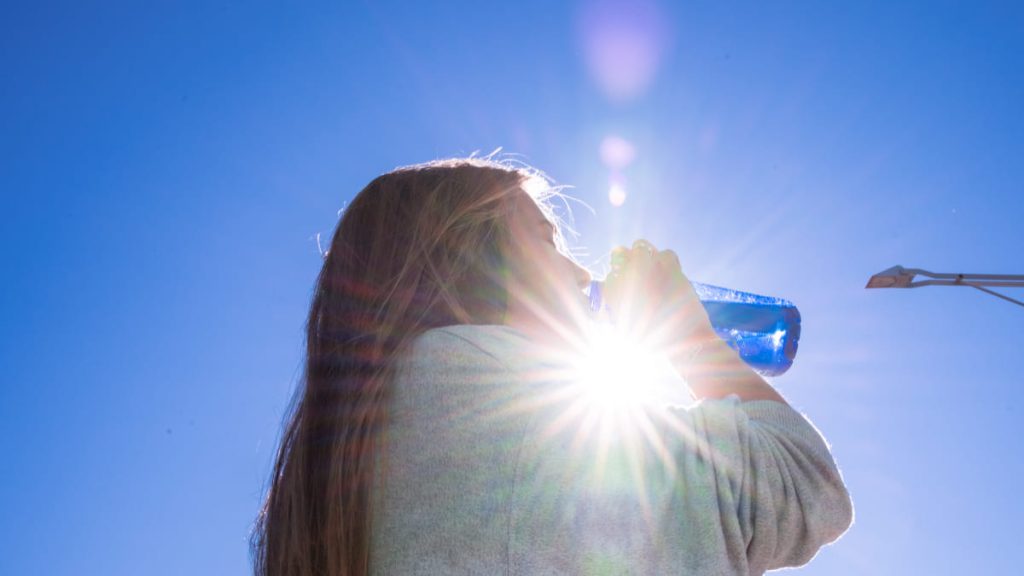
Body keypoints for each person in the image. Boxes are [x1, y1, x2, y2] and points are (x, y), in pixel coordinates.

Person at [251, 158, 853, 576]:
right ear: (468, 255)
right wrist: (686, 334)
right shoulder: (475, 382)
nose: (581, 272)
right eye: (548, 240)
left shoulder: (378, 432)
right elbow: (801, 488)